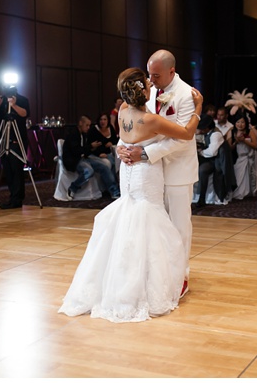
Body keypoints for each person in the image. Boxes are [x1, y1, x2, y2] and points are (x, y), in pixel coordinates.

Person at [59, 67, 203, 323]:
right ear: (145, 92)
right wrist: (198, 109)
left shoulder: (123, 111)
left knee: (129, 219)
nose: (151, 83)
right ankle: (143, 285)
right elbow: (187, 133)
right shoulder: (151, 121)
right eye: (147, 82)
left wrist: (121, 150)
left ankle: (121, 279)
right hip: (146, 173)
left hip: (128, 174)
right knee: (149, 221)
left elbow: (123, 142)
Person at [115, 49, 198, 298]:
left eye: (155, 75)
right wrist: (122, 146)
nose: (150, 80)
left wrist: (145, 154)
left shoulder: (186, 95)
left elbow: (183, 138)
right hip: (150, 171)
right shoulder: (146, 91)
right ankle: (156, 273)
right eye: (148, 74)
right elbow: (135, 121)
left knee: (179, 226)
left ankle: (180, 276)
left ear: (171, 71)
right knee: (152, 225)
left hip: (176, 169)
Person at [0, 86, 29, 209]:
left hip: (17, 139)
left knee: (17, 169)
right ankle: (12, 196)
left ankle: (17, 199)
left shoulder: (22, 99)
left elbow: (25, 114)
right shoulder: (1, 100)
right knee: (8, 170)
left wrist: (14, 105)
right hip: (4, 139)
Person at [63, 115, 121, 200]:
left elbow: (85, 150)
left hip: (83, 157)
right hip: (74, 159)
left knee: (104, 166)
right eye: (87, 125)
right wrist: (90, 146)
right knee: (88, 171)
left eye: (89, 125)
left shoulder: (83, 134)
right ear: (80, 123)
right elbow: (76, 151)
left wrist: (92, 148)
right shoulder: (73, 134)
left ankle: (115, 191)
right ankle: (73, 188)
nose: (88, 127)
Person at [194, 114, 226, 207]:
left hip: (215, 161)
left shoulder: (216, 134)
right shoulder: (207, 133)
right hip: (206, 158)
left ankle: (202, 198)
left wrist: (200, 152)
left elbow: (212, 152)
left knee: (202, 170)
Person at [229, 115, 257, 200]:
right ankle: (239, 192)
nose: (240, 124)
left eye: (242, 122)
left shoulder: (250, 132)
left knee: (250, 175)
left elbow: (255, 146)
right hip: (239, 158)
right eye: (238, 122)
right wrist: (236, 141)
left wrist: (244, 141)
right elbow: (230, 148)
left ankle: (249, 192)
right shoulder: (232, 132)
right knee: (239, 176)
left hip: (248, 157)